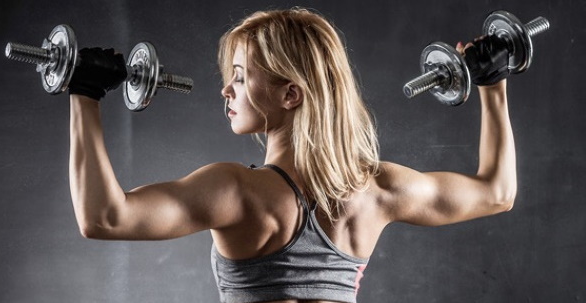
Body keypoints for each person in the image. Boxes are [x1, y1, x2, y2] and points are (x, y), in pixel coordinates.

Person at [67, 8, 516, 303]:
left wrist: (85, 93)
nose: (226, 89)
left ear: (290, 94)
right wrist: (492, 84)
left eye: (240, 77)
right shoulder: (379, 190)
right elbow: (498, 193)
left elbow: (104, 218)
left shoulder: (235, 190)